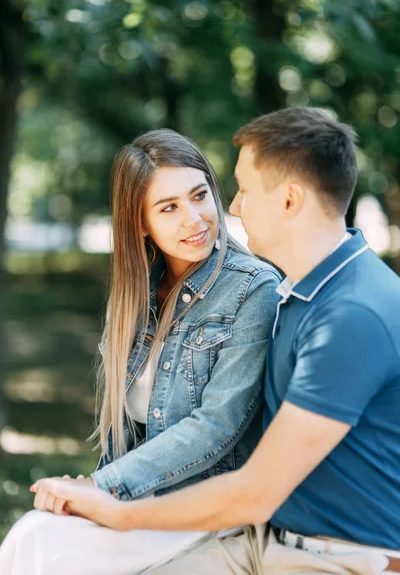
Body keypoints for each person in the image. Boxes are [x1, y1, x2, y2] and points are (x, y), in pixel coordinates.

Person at [25, 108, 400, 575]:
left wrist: (113, 503)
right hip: (269, 538)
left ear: (288, 200)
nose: (233, 207)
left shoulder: (346, 315)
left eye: (239, 189)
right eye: (169, 207)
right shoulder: (303, 295)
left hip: (325, 553)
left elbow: (250, 481)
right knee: (36, 540)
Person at [0, 129, 280, 574]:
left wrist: (103, 484)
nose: (194, 219)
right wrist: (93, 489)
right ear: (139, 222)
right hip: (141, 499)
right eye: (169, 208)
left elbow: (217, 427)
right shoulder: (137, 292)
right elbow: (125, 432)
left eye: (199, 195)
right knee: (30, 535)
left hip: (203, 508)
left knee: (42, 548)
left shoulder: (253, 288)